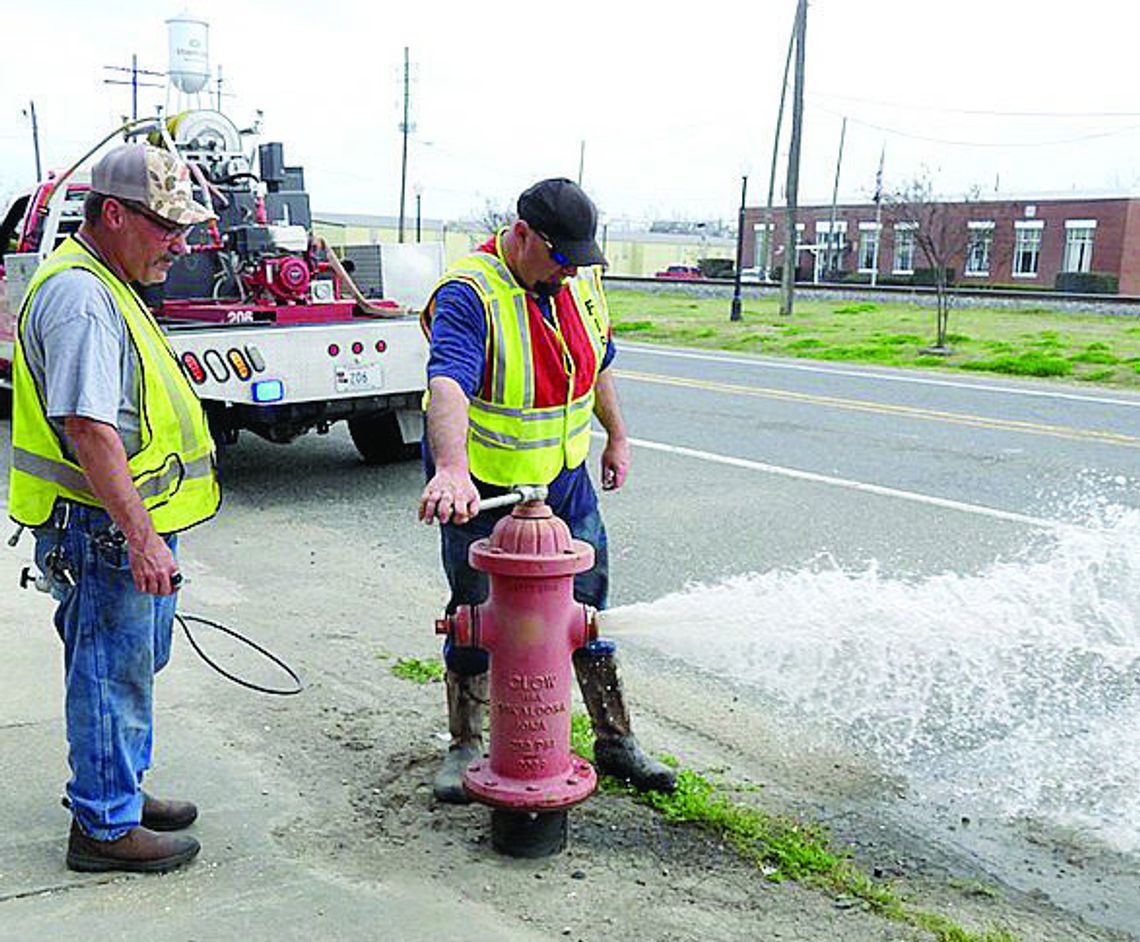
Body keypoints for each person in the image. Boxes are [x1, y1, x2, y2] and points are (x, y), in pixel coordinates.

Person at [418, 178, 675, 802]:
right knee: (475, 612)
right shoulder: (469, 292)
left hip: (563, 482)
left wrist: (617, 436)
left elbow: (600, 360)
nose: (568, 272)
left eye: (578, 260)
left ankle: (614, 740)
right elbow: (446, 383)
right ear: (522, 234)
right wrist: (451, 470)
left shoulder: (577, 278)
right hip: (483, 489)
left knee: (587, 606)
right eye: (558, 258)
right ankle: (466, 745)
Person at [8, 143, 220, 872]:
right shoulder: (82, 297)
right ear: (112, 214)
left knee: (130, 663)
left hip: (119, 526)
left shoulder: (108, 280)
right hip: (100, 529)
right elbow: (90, 428)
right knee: (110, 670)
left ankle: (117, 784)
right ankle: (103, 827)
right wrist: (140, 536)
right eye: (166, 227)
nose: (180, 245)